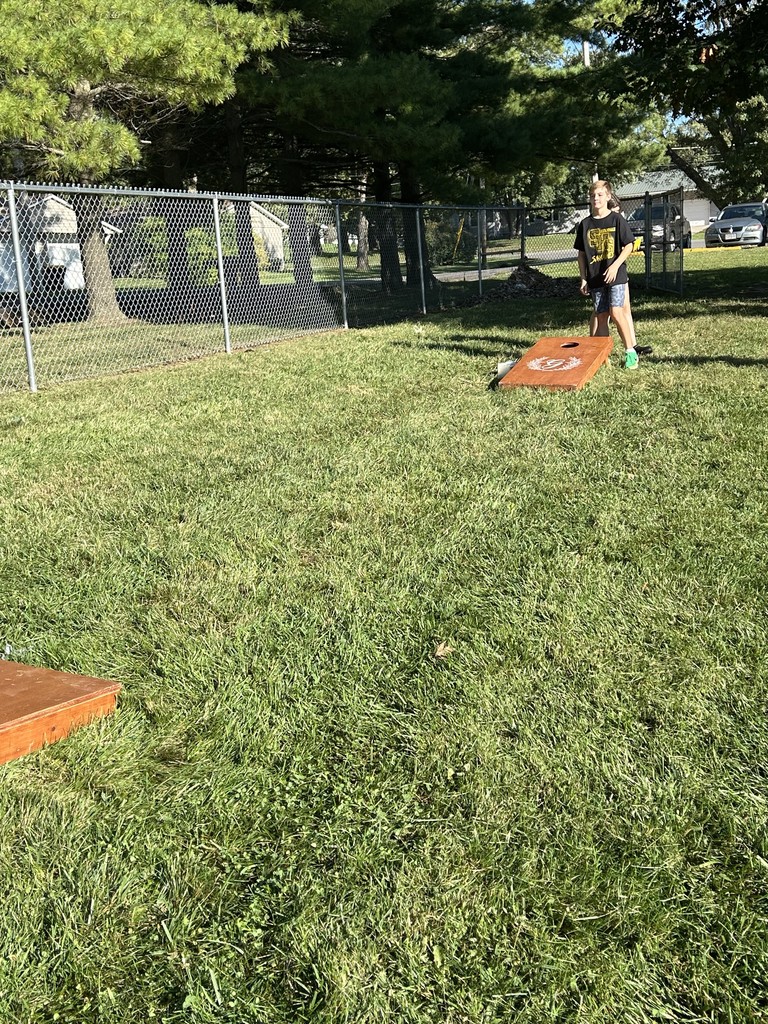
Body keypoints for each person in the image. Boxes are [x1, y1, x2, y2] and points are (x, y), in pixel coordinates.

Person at [575, 180, 640, 369]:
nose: (596, 199)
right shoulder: (585, 224)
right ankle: (602, 356)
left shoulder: (616, 219)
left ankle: (630, 352)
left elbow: (629, 245)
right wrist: (584, 278)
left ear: (608, 197)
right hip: (595, 278)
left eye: (600, 195)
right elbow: (580, 255)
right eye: (593, 195)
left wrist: (615, 266)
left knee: (616, 311)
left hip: (616, 276)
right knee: (601, 315)